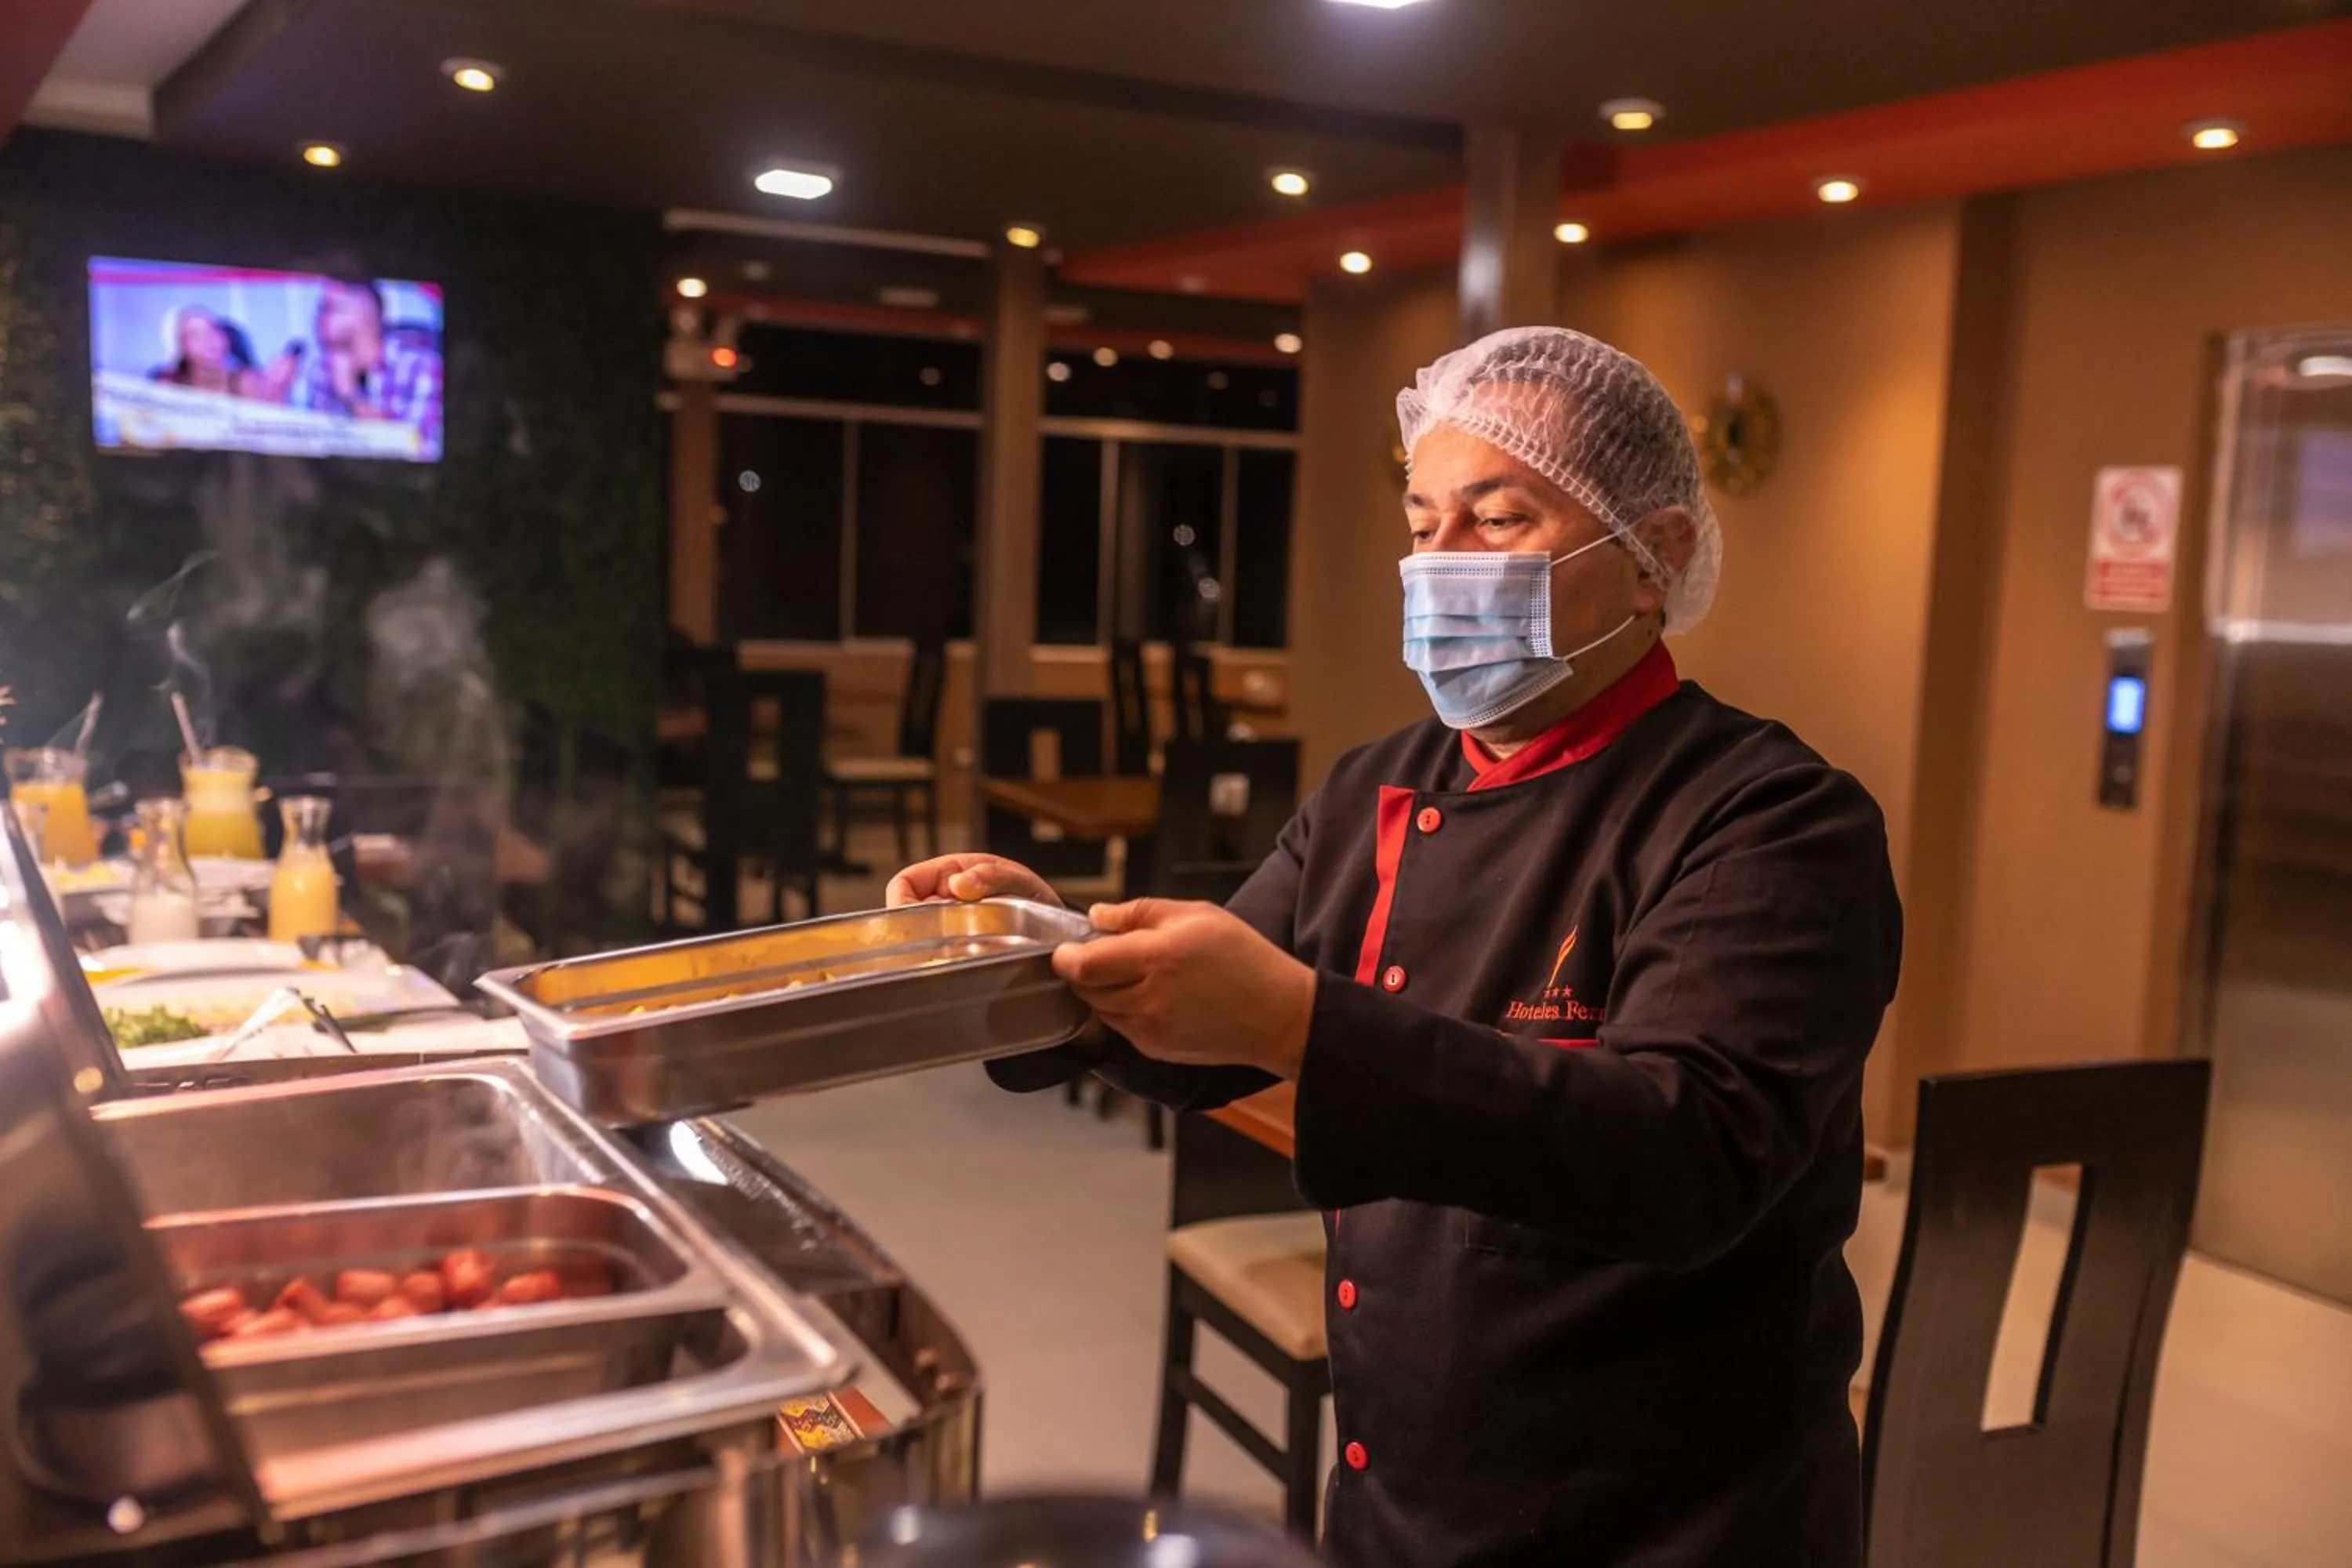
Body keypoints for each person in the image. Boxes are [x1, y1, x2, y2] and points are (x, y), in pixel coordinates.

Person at [890, 326, 1903, 1568]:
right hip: (1396, 1505)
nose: (1440, 564)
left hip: (1669, 1524)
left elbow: (1686, 1152)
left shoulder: (1768, 817)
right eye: (1424, 521)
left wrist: (1299, 1024)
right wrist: (1041, 954)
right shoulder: (1379, 786)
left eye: (1498, 518)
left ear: (1657, 560)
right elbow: (1205, 1024)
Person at [294, 277, 443, 445]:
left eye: (328, 309)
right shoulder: (323, 369)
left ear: (363, 317)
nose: (317, 320)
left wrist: (350, 394)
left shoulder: (421, 366)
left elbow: (418, 447)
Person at [149, 305, 297, 401]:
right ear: (181, 347)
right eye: (195, 335)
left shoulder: (246, 381)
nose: (209, 339)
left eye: (213, 329)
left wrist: (279, 390)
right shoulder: (169, 385)